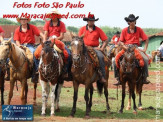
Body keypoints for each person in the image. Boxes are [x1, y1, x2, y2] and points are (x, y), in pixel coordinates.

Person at [113, 14, 150, 86]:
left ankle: (144, 77)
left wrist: (145, 49)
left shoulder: (139, 29)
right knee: (114, 60)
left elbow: (146, 39)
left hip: (135, 48)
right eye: (130, 21)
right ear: (128, 22)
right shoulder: (124, 30)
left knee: (145, 59)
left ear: (135, 21)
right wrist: (124, 46)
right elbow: (121, 41)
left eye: (133, 21)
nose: (132, 22)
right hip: (126, 48)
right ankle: (118, 78)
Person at [34, 9, 71, 78]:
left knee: (68, 54)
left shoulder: (62, 24)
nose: (53, 16)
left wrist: (55, 39)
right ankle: (37, 69)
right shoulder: (47, 23)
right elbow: (45, 34)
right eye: (52, 15)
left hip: (58, 40)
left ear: (57, 16)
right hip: (48, 40)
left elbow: (62, 36)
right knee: (36, 53)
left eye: (55, 15)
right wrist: (45, 40)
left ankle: (65, 71)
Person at [78, 14, 108, 83]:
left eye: (92, 21)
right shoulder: (82, 29)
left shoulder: (98, 29)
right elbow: (79, 39)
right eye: (89, 21)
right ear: (87, 21)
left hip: (95, 48)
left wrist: (102, 48)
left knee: (100, 57)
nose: (91, 22)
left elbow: (105, 40)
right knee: (75, 56)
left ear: (94, 21)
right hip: (84, 48)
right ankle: (73, 74)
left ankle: (102, 76)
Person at [14, 16, 44, 82]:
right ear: (20, 20)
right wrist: (19, 46)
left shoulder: (32, 27)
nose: (23, 20)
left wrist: (44, 38)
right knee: (11, 55)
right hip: (20, 46)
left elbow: (39, 33)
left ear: (27, 20)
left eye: (25, 19)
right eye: (22, 19)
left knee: (35, 54)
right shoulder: (17, 30)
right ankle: (10, 72)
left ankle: (35, 73)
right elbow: (17, 41)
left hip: (30, 45)